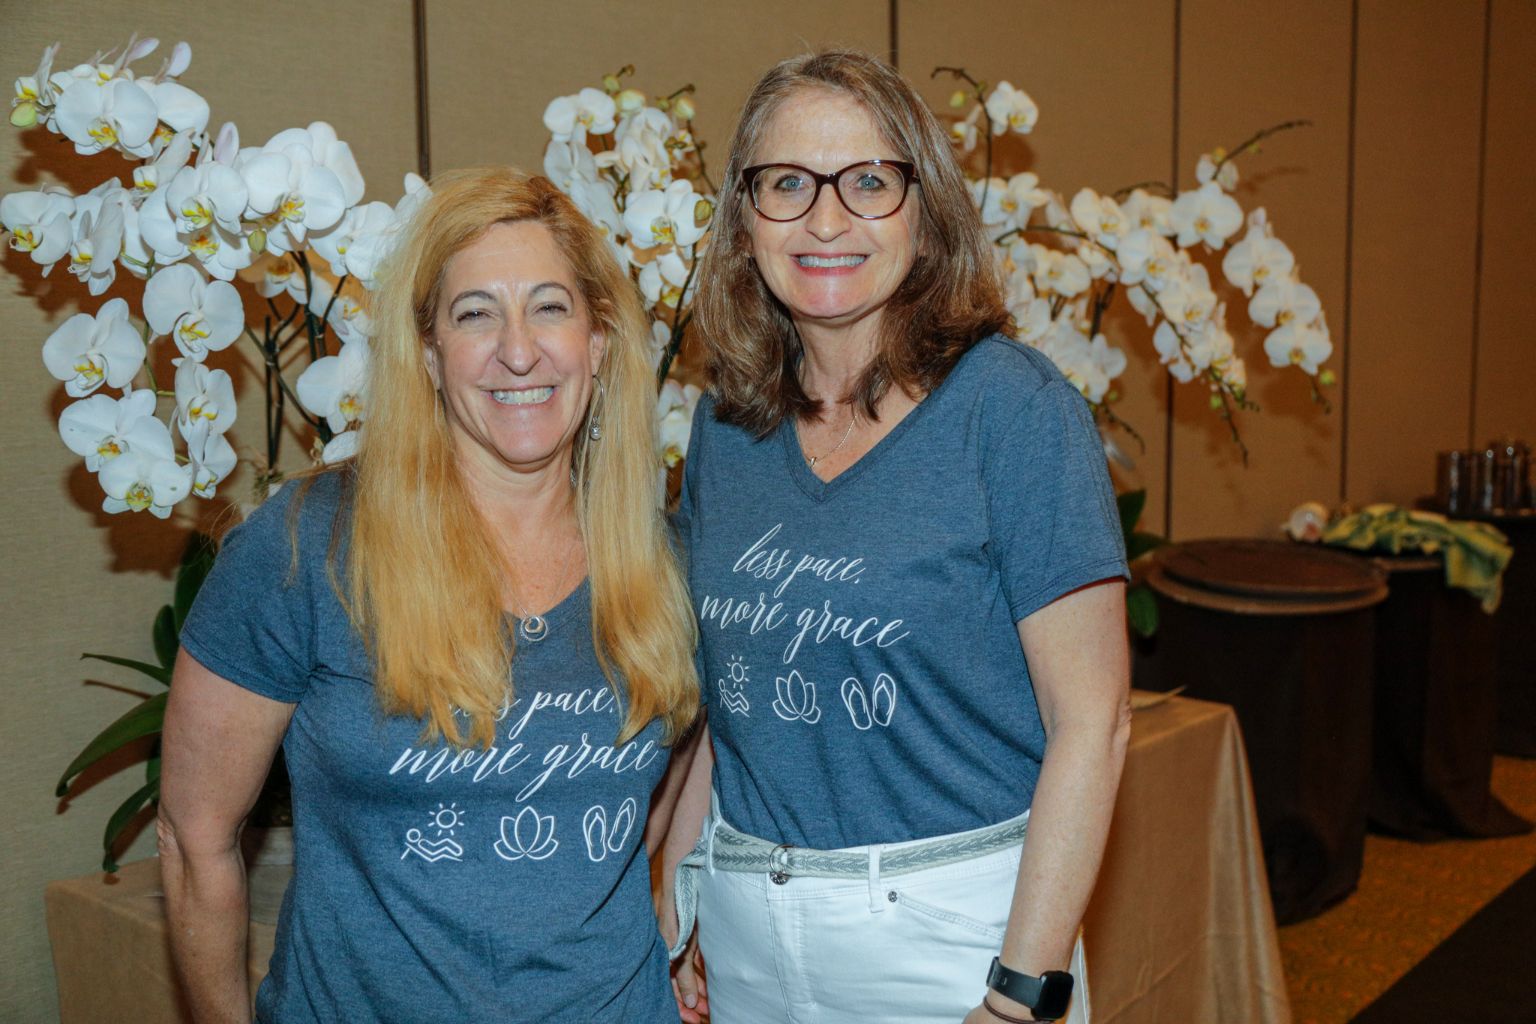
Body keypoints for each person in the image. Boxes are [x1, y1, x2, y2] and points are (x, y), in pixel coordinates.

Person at [157, 167, 699, 1023]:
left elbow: (663, 792)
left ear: (598, 342)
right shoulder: (305, 548)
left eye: (550, 307)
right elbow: (195, 839)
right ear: (427, 354)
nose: (517, 350)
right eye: (475, 313)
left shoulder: (665, 561)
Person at [661, 50, 1131, 1024]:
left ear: (925, 211)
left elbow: (1094, 721)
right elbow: (730, 701)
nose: (826, 220)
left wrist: (1022, 991)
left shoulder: (1014, 410)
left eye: (869, 181)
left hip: (955, 941)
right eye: (787, 184)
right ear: (745, 219)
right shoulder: (725, 425)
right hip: (746, 929)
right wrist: (680, 901)